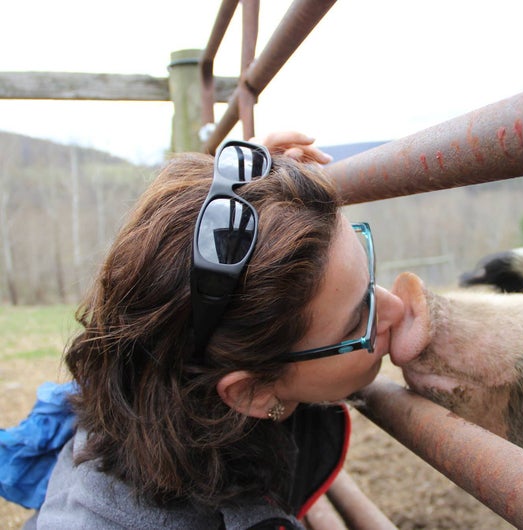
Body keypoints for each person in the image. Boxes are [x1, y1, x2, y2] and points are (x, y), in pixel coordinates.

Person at [25, 132, 405, 529]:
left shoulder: (152, 378)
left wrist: (246, 194)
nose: (394, 306)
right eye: (357, 323)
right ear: (251, 392)